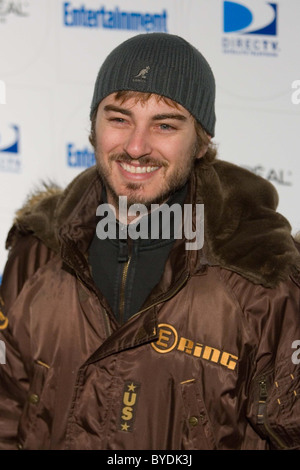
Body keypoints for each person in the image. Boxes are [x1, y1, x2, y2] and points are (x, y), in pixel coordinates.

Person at [0, 32, 300, 451]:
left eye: (165, 125)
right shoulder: (38, 252)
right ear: (94, 125)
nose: (136, 147)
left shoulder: (261, 279)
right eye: (119, 119)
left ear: (201, 141)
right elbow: (7, 413)